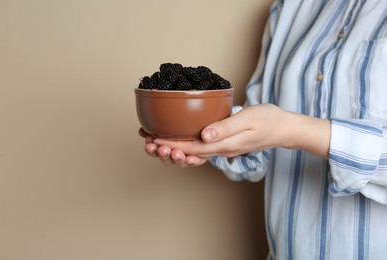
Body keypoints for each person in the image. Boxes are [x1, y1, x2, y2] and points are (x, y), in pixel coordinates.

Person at [139, 0, 387, 259]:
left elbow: (278, 127)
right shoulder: (290, 7)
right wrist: (209, 136)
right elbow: (259, 145)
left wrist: (293, 131)